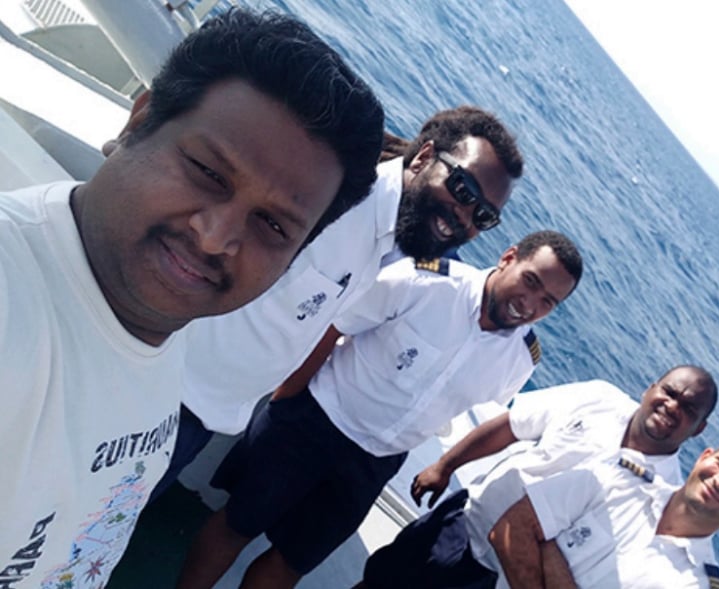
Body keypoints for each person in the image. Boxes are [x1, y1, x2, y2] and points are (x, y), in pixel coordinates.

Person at [0, 9, 383, 587]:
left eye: (272, 226)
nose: (214, 238)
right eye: (207, 171)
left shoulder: (157, 331)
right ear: (139, 121)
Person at [152, 106, 525, 499]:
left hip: (213, 409)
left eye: (483, 216)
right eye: (463, 189)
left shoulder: (395, 245)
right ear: (424, 157)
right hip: (169, 389)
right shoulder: (336, 197)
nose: (465, 216)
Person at [177, 230, 584, 588]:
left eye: (547, 302)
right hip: (316, 419)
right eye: (530, 281)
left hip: (374, 463)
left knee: (291, 562)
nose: (529, 304)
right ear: (509, 257)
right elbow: (338, 325)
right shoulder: (426, 282)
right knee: (238, 523)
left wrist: (443, 465)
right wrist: (287, 398)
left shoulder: (521, 360)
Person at [358, 366, 718, 588]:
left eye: (688, 408)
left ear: (699, 429)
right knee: (377, 582)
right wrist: (446, 465)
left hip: (498, 580)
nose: (672, 406)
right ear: (650, 388)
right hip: (463, 522)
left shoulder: (660, 497)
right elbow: (512, 427)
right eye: (669, 392)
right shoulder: (598, 397)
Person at [490, 437, 719, 588]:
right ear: (705, 457)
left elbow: (526, 532)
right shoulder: (616, 477)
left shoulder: (694, 583)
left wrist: (548, 546)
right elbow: (510, 529)